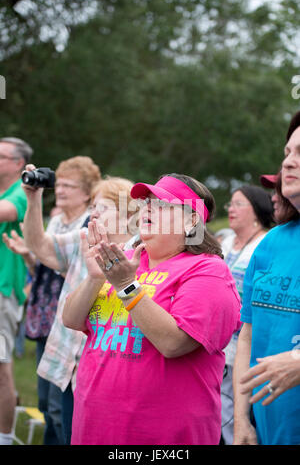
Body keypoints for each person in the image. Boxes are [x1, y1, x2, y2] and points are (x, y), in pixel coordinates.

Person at [63, 173, 242, 445]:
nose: (148, 208)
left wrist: (126, 285)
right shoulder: (128, 260)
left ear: (191, 220)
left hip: (160, 435)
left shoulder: (209, 271)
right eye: (147, 203)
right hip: (94, 426)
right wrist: (95, 277)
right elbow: (71, 320)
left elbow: (174, 343)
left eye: (161, 204)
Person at [23, 174, 136, 445]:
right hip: (67, 356)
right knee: (58, 422)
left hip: (108, 366)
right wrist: (33, 199)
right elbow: (39, 245)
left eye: (103, 207)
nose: (94, 212)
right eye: (93, 206)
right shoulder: (82, 238)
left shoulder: (141, 253)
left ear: (128, 213)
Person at [4, 156, 100, 445]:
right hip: (48, 314)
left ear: (87, 193)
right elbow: (45, 263)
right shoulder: (57, 220)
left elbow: (63, 267)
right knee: (46, 401)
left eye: (70, 186)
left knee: (61, 406)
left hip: (73, 318)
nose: (61, 190)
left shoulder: (90, 225)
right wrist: (27, 256)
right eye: (61, 184)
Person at [233, 111, 300, 445]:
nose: (288, 163)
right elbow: (247, 334)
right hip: (266, 429)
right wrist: (243, 419)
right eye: (287, 153)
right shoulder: (271, 243)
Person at [220, 185, 274, 445]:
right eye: (230, 204)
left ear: (257, 210)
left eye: (239, 204)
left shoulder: (265, 243)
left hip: (243, 343)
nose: (231, 209)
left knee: (235, 416)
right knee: (219, 413)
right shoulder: (224, 241)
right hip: (217, 345)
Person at [0, 136, 33, 446]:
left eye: (0, 156)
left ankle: (5, 438)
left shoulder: (20, 193)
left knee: (1, 367)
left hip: (2, 292)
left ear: (17, 164)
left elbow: (4, 212)